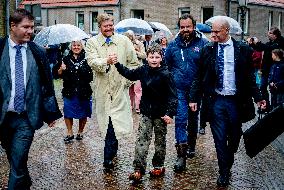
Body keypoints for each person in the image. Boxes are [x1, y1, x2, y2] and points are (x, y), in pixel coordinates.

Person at [189, 17, 266, 187]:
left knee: (235, 136)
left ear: (226, 31)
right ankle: (223, 171)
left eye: (216, 32)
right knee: (219, 137)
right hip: (216, 101)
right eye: (212, 31)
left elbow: (249, 77)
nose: (213, 35)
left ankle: (228, 160)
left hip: (237, 102)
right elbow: (199, 76)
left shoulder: (243, 49)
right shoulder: (207, 49)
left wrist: (259, 97)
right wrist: (193, 98)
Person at [0, 9, 62, 189]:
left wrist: (50, 114)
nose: (30, 31)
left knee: (18, 159)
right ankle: (24, 184)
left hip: (26, 117)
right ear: (13, 26)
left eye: (32, 27)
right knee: (14, 159)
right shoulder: (0, 48)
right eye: (25, 27)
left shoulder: (38, 52)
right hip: (3, 117)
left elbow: (47, 86)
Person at [109, 43, 177, 182]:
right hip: (146, 112)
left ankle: (158, 166)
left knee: (159, 142)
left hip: (161, 115)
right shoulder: (143, 70)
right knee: (141, 141)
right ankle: (138, 169)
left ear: (161, 58)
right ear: (147, 57)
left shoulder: (166, 74)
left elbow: (173, 96)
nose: (153, 59)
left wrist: (170, 113)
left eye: (157, 57)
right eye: (151, 56)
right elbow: (129, 74)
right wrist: (117, 64)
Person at [85, 13, 140, 170]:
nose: (109, 28)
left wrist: (127, 82)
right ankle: (108, 158)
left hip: (119, 91)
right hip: (102, 91)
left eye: (111, 25)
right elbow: (92, 61)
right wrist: (106, 61)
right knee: (108, 125)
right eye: (105, 26)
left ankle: (110, 154)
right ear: (99, 27)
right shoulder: (92, 43)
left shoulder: (123, 41)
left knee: (115, 125)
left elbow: (134, 63)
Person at [164, 13, 208, 172]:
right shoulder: (173, 45)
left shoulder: (203, 44)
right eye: (182, 27)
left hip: (196, 91)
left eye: (188, 27)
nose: (185, 30)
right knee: (181, 119)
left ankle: (192, 144)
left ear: (194, 27)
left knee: (193, 118)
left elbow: (206, 69)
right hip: (179, 90)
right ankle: (181, 156)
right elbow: (166, 67)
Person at [53, 40, 93, 142]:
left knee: (83, 112)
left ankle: (80, 132)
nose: (76, 47)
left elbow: (91, 76)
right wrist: (61, 69)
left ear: (82, 47)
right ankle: (69, 132)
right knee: (68, 112)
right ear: (71, 47)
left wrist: (83, 70)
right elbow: (56, 75)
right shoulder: (65, 59)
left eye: (78, 45)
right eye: (74, 45)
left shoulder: (88, 59)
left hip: (84, 91)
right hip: (69, 91)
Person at [247, 27, 284, 112]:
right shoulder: (270, 43)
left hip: (277, 70)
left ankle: (276, 109)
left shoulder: (280, 42)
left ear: (275, 35)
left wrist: (258, 43)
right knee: (263, 87)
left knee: (275, 90)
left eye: (270, 33)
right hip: (266, 69)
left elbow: (269, 48)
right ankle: (266, 106)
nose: (268, 34)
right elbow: (261, 48)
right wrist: (253, 44)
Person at [124, 30, 146, 114]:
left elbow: (144, 55)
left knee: (138, 90)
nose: (129, 38)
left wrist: (135, 51)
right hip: (128, 69)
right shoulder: (124, 45)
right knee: (129, 90)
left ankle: (138, 107)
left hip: (137, 69)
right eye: (127, 36)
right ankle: (129, 106)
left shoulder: (139, 44)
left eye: (130, 36)